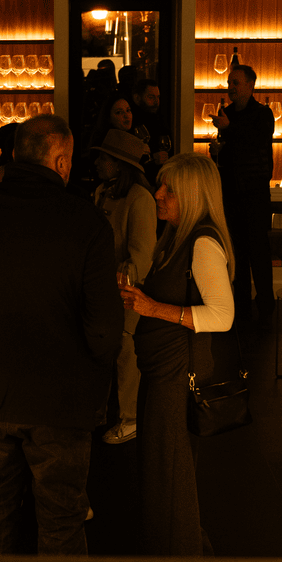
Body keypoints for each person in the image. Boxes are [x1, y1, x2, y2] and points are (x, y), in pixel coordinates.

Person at [0, 115, 123, 555]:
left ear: (16, 154)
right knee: (61, 521)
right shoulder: (87, 222)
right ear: (61, 161)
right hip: (64, 400)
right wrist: (96, 379)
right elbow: (104, 328)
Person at [118, 152, 235, 555]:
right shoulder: (176, 239)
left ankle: (179, 551)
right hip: (162, 372)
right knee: (162, 470)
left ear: (192, 194)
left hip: (177, 375)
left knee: (171, 473)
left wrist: (152, 309)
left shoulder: (202, 242)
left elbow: (222, 315)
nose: (158, 193)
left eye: (169, 188)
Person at [90, 129, 157, 446]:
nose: (98, 162)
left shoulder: (140, 199)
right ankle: (100, 412)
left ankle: (130, 419)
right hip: (101, 292)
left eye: (104, 157)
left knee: (125, 353)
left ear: (119, 164)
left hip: (126, 293)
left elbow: (142, 256)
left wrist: (115, 279)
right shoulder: (103, 191)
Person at [211, 64, 276, 329]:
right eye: (229, 82)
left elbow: (256, 140)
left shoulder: (263, 114)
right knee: (236, 253)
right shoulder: (226, 114)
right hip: (231, 193)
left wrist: (228, 129)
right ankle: (239, 308)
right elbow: (230, 154)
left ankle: (266, 307)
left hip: (255, 194)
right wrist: (217, 150)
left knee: (259, 252)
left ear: (251, 86)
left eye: (236, 82)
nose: (231, 87)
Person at [131, 78, 171, 183]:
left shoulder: (158, 118)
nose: (156, 102)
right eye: (151, 97)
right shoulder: (131, 121)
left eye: (158, 97)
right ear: (137, 98)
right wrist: (152, 159)